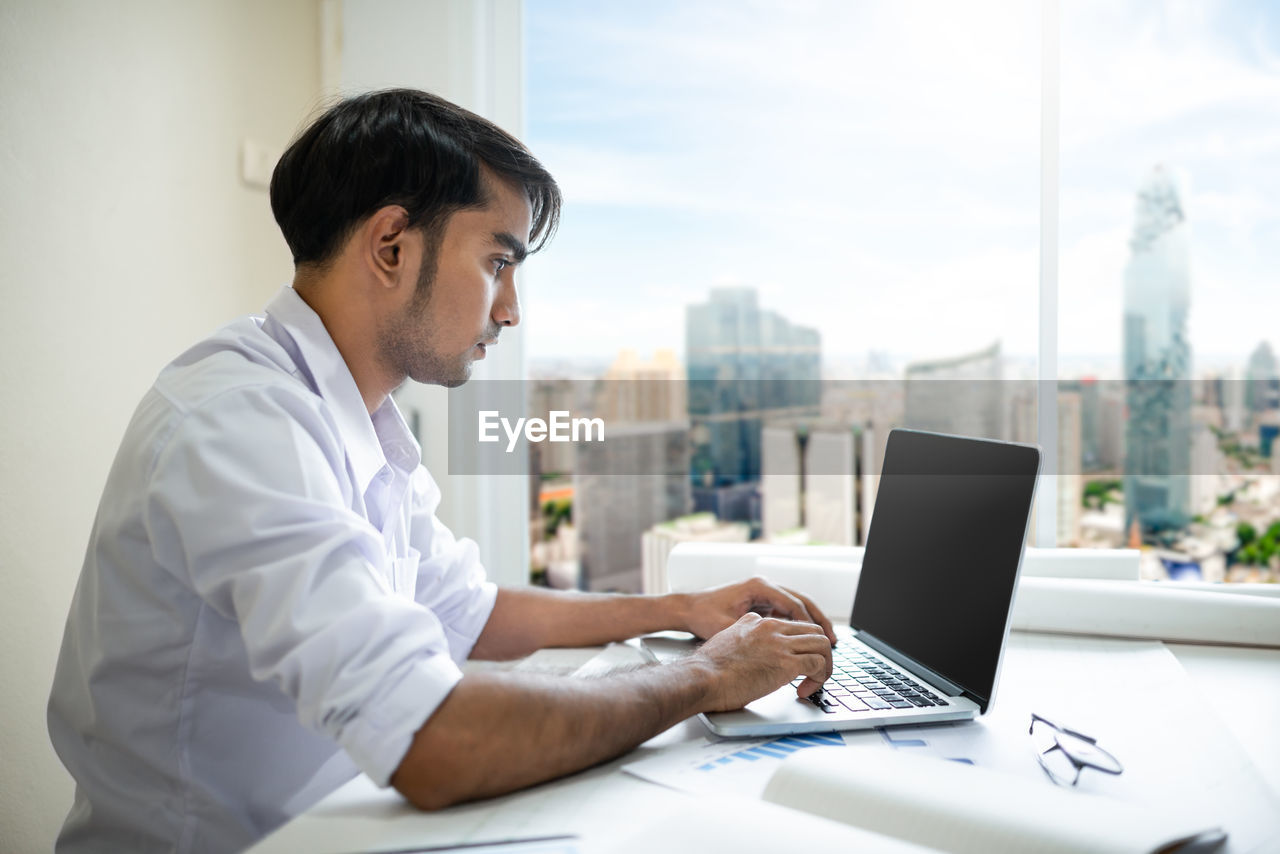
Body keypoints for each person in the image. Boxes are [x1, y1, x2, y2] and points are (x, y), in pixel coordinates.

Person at [47, 88, 835, 853]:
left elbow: (469, 611)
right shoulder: (241, 422)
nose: (511, 309)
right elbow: (433, 739)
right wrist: (706, 678)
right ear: (391, 246)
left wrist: (679, 606)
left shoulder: (356, 418)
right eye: (498, 261)